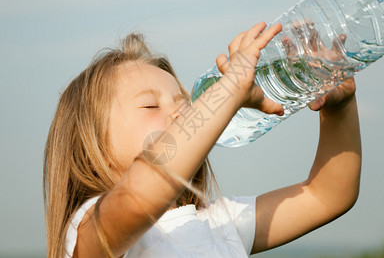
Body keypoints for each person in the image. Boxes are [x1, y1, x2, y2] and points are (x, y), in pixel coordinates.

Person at [43, 21, 361, 258]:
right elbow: (143, 191)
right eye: (151, 105)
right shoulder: (90, 230)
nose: (183, 114)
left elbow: (326, 196)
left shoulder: (218, 223)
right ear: (92, 149)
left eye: (185, 104)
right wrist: (231, 87)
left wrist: (339, 110)